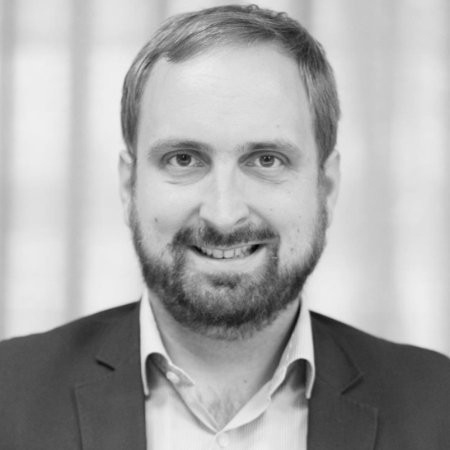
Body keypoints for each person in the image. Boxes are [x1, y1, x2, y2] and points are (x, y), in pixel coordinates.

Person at [1, 4, 449, 449]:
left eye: (266, 160)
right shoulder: (9, 395)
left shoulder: (439, 407)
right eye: (184, 159)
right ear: (128, 186)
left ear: (326, 187)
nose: (223, 213)